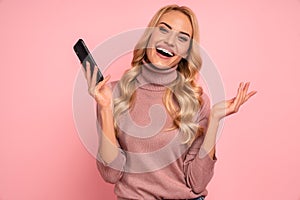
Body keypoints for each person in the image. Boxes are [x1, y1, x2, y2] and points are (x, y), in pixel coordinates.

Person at [82, 4, 256, 200]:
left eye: (182, 38)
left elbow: (197, 183)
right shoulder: (111, 94)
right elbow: (110, 174)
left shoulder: (196, 102)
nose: (170, 41)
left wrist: (214, 120)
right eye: (163, 29)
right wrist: (105, 108)